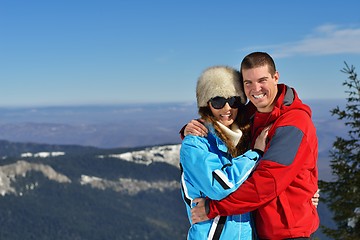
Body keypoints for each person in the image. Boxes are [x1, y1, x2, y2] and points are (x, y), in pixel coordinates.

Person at [189, 52, 319, 239]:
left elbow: (267, 183)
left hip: (287, 231)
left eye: (262, 80)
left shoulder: (294, 123)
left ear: (276, 77)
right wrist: (193, 128)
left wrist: (213, 208)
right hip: (257, 228)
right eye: (248, 82)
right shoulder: (251, 113)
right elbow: (221, 122)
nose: (255, 89)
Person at [180, 65, 270, 239]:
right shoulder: (195, 144)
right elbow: (219, 187)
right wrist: (255, 154)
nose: (227, 108)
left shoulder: (245, 137)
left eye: (234, 100)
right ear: (206, 104)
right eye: (218, 101)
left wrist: (305, 191)